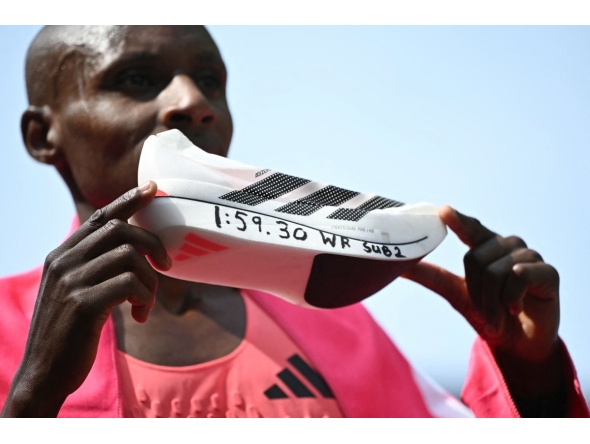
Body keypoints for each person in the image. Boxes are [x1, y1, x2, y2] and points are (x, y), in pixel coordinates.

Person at [0, 25, 587, 418]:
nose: (191, 100)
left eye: (210, 81)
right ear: (42, 135)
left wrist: (530, 374)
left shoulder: (338, 322)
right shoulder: (9, 334)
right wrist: (33, 398)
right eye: (136, 79)